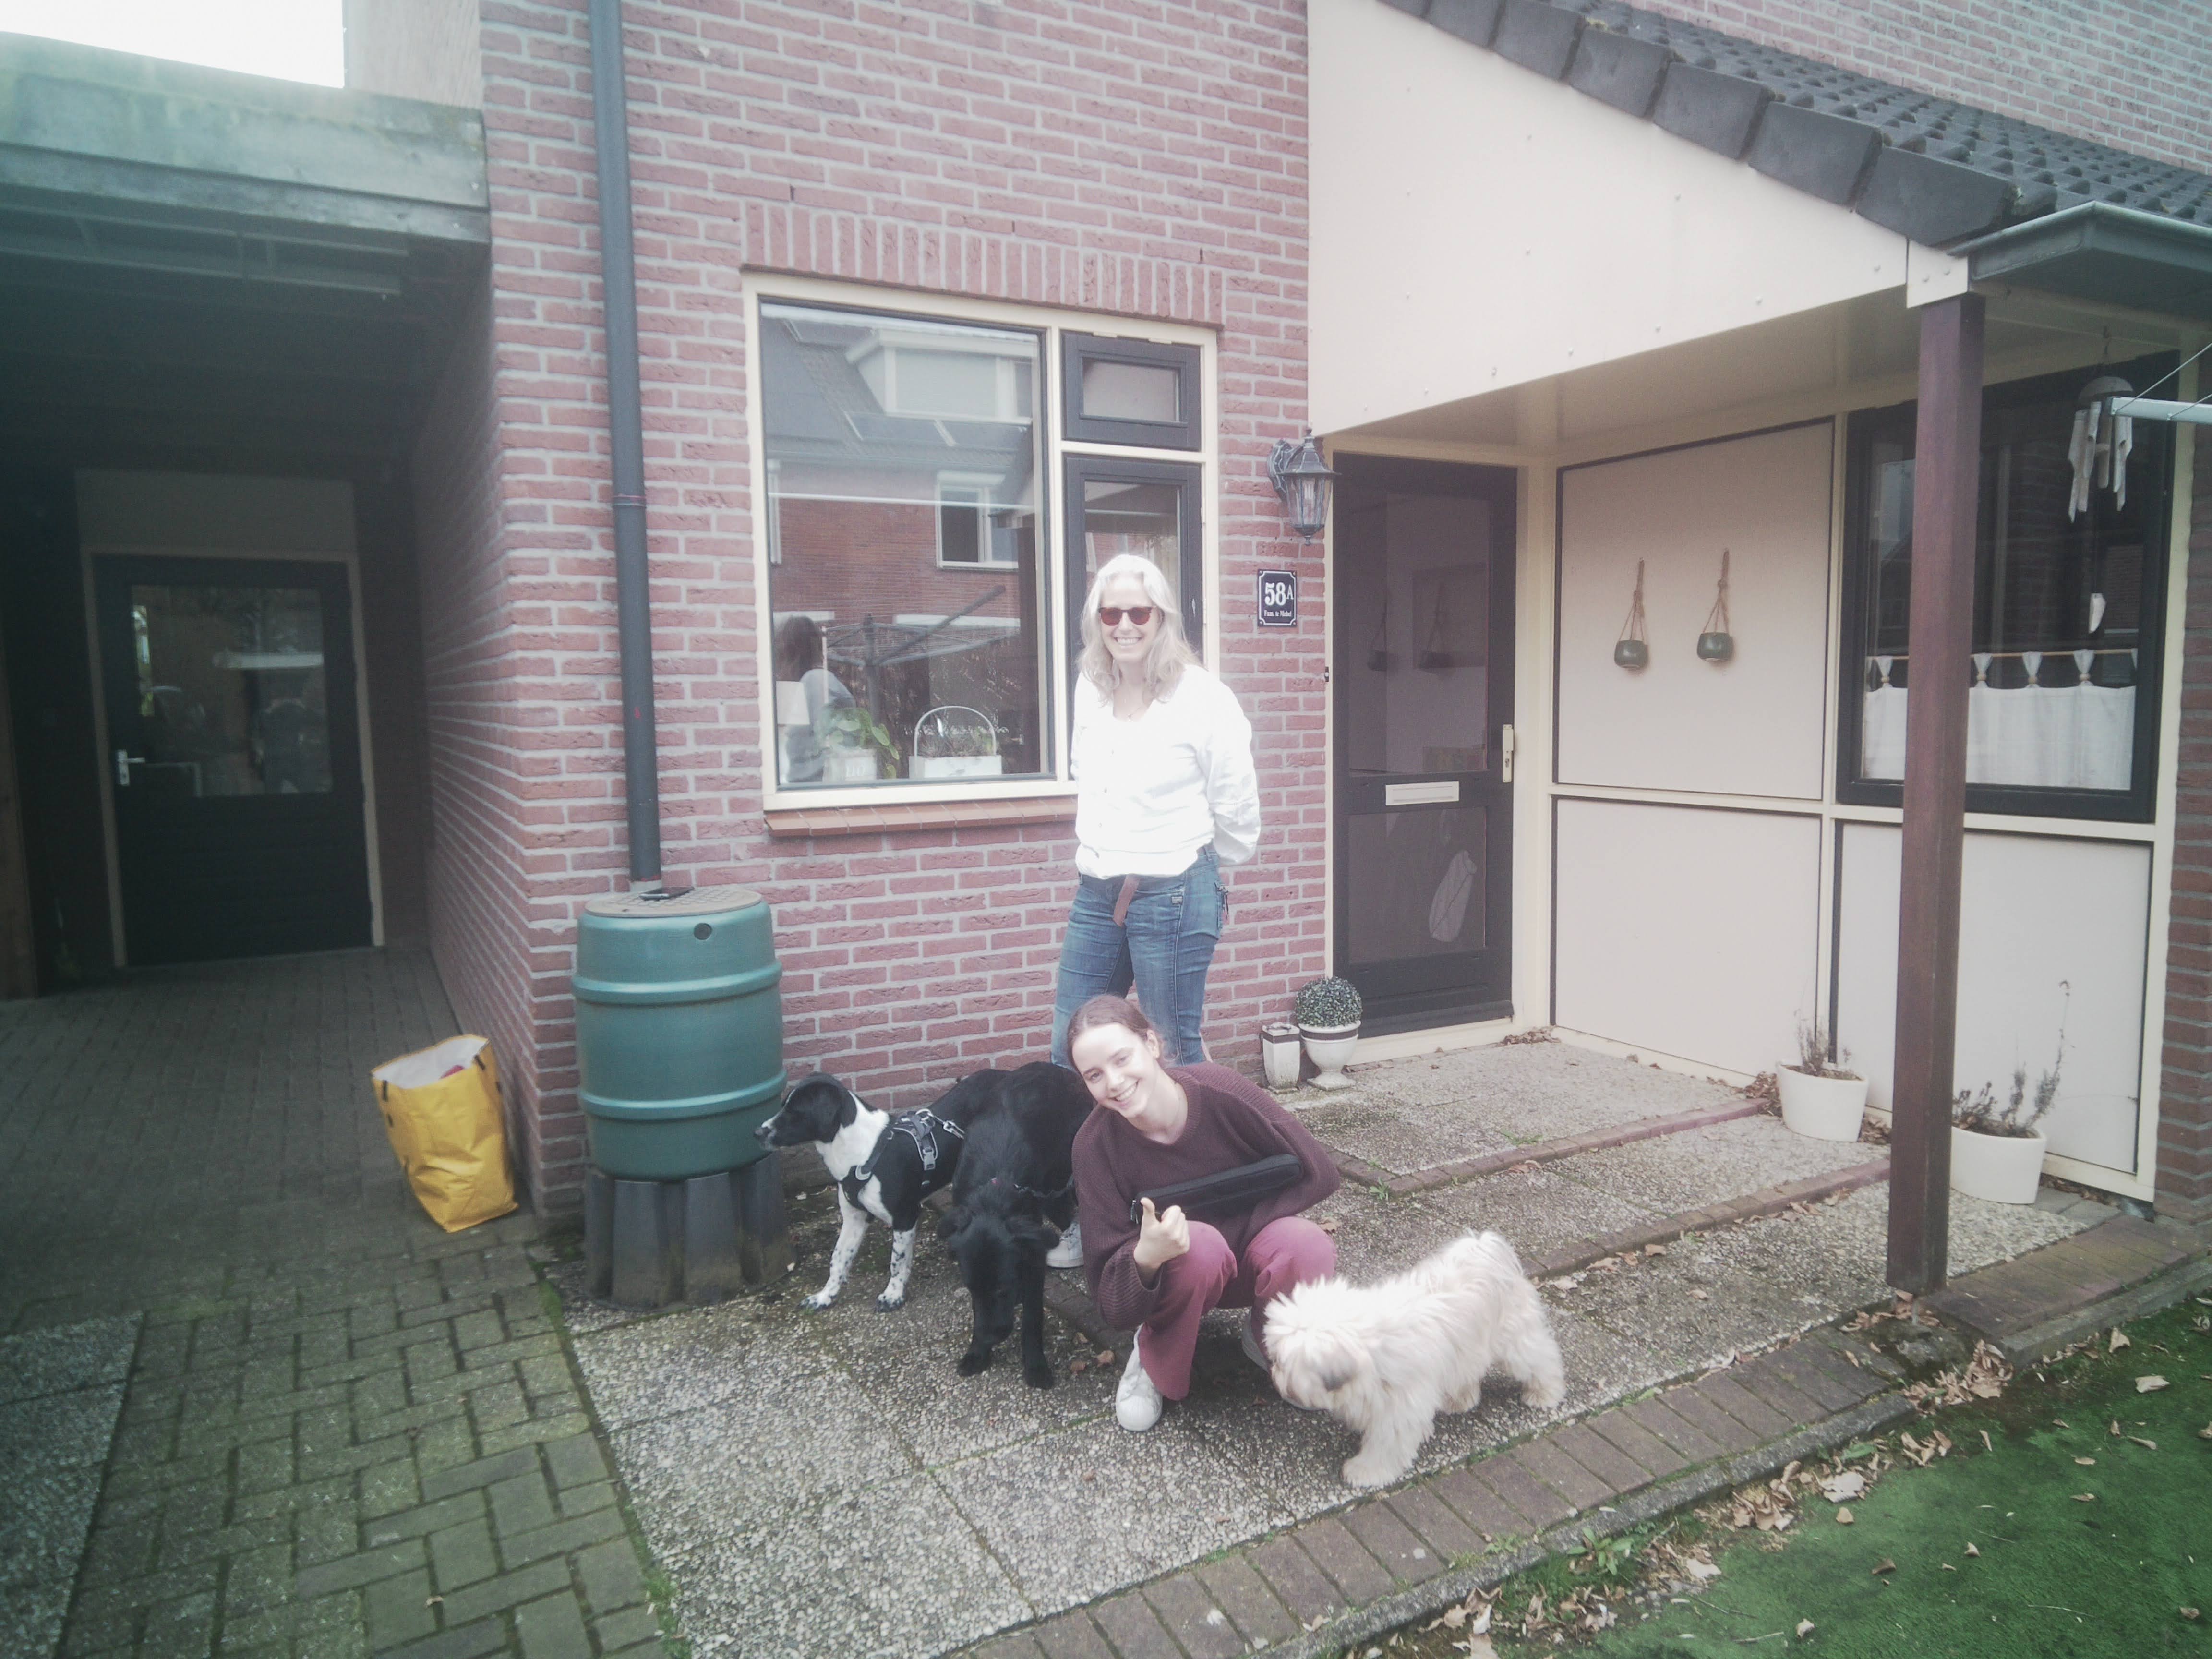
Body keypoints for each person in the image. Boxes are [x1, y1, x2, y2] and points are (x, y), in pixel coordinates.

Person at [1066, 995, 1340, 1432]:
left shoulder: (1223, 1090)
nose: (1114, 1082)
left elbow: (1319, 1171)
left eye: (1122, 1059)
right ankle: (1155, 1359)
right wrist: (1146, 1258)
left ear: (1152, 1045)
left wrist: (1242, 1231)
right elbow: (1110, 1303)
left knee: (1305, 1243)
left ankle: (1274, 1340)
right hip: (1182, 1276)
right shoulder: (1094, 1146)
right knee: (1201, 1248)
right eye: (1095, 1075)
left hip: (1251, 1259)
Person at [1050, 552, 1261, 1070]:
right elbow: (1090, 779)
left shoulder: (1203, 698)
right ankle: (1090, 1153)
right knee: (1070, 1047)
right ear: (1096, 621)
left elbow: (1235, 800)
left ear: (1161, 617)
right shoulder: (1091, 688)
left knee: (1171, 1050)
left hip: (1174, 892)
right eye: (1111, 614)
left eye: (1139, 613)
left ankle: (1199, 1150)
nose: (1124, 625)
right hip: (1099, 892)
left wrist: (1200, 864)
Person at [771, 615, 854, 783]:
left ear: (791, 652)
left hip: (812, 786)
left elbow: (825, 743)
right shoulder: (801, 686)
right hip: (802, 784)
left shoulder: (815, 681)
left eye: (779, 652)